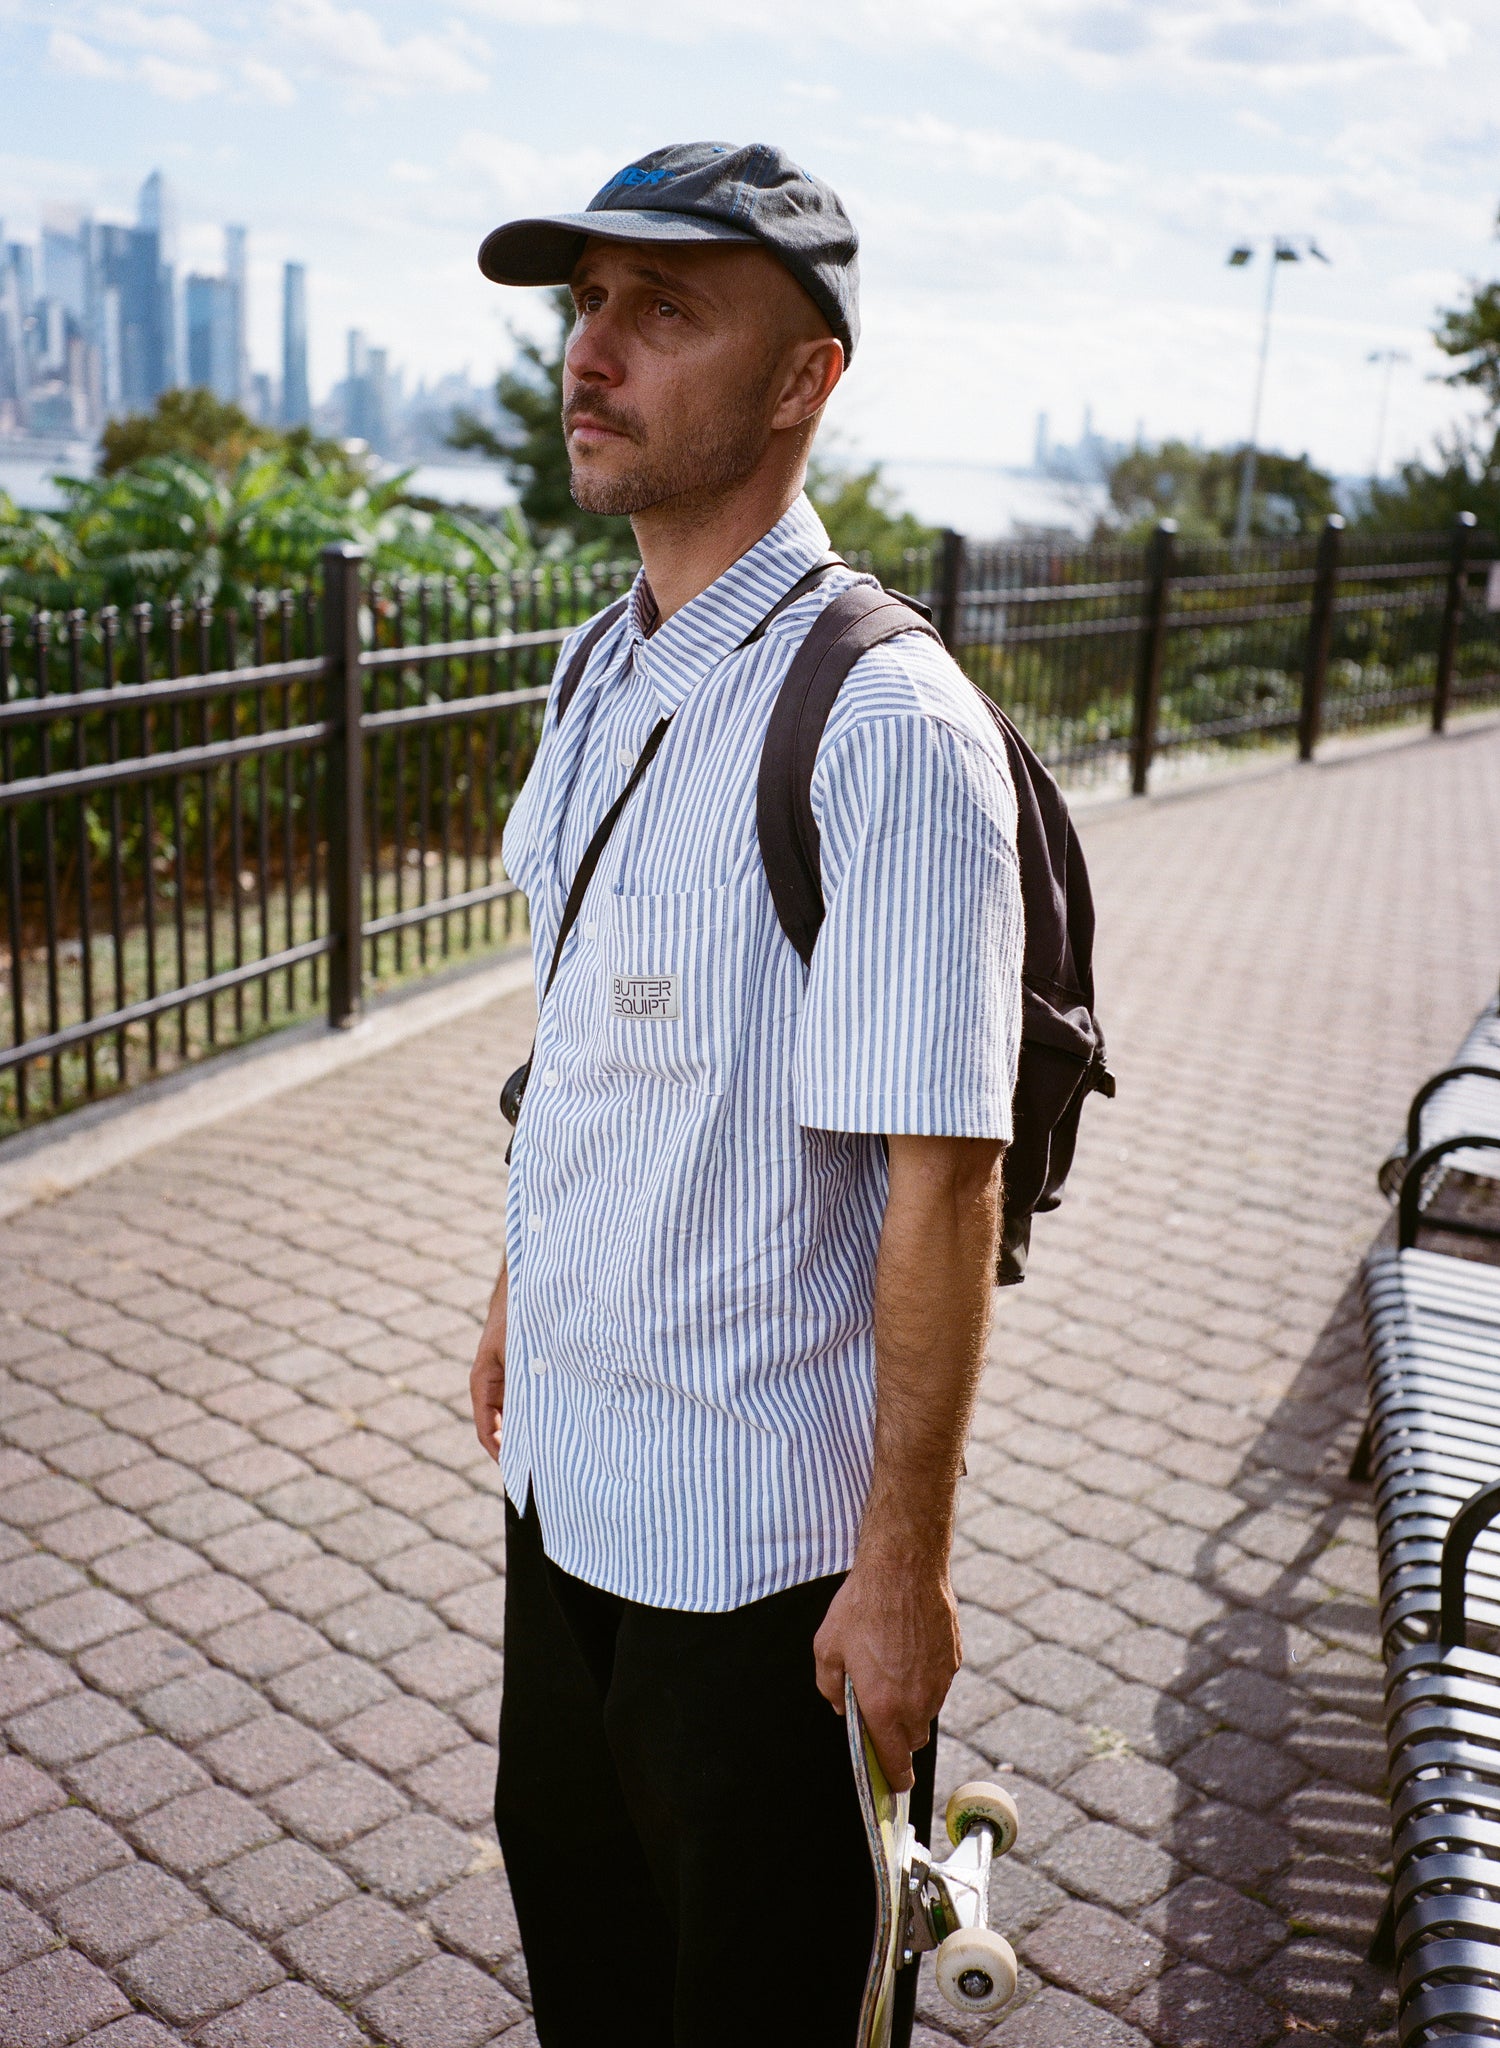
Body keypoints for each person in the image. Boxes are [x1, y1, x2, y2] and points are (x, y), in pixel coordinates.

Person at [468, 141, 1023, 2048]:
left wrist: (906, 1577)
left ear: (806, 381)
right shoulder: (593, 670)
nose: (592, 352)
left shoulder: (886, 730)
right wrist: (515, 1297)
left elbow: (945, 1179)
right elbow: (591, 1042)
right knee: (593, 1977)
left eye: (664, 308)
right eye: (588, 302)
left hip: (763, 1576)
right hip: (567, 1492)